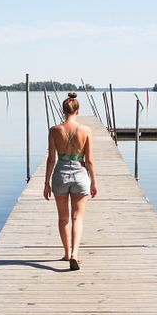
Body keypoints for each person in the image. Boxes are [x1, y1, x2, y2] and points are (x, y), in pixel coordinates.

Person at [43, 92, 98, 270]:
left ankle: (67, 253)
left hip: (60, 174)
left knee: (63, 217)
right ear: (78, 111)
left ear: (63, 110)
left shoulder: (54, 130)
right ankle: (75, 253)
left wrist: (46, 183)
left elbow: (51, 159)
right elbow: (89, 159)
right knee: (77, 217)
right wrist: (94, 182)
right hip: (80, 174)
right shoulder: (86, 130)